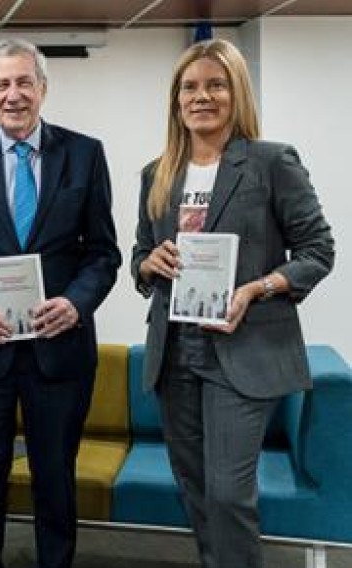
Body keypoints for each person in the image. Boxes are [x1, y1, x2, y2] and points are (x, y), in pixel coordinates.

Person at [131, 38, 334, 568]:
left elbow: (318, 251)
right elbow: (140, 254)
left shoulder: (271, 163)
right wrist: (149, 264)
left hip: (241, 348)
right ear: (176, 100)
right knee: (196, 491)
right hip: (175, 351)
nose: (202, 96)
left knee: (228, 494)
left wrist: (256, 288)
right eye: (190, 88)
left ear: (236, 92)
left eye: (215, 85)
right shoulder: (158, 173)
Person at [0, 38, 121, 568]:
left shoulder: (84, 154)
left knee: (56, 488)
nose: (13, 95)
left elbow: (103, 253)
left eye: (23, 82)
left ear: (43, 88)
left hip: (59, 355)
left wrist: (76, 303)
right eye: (2, 85)